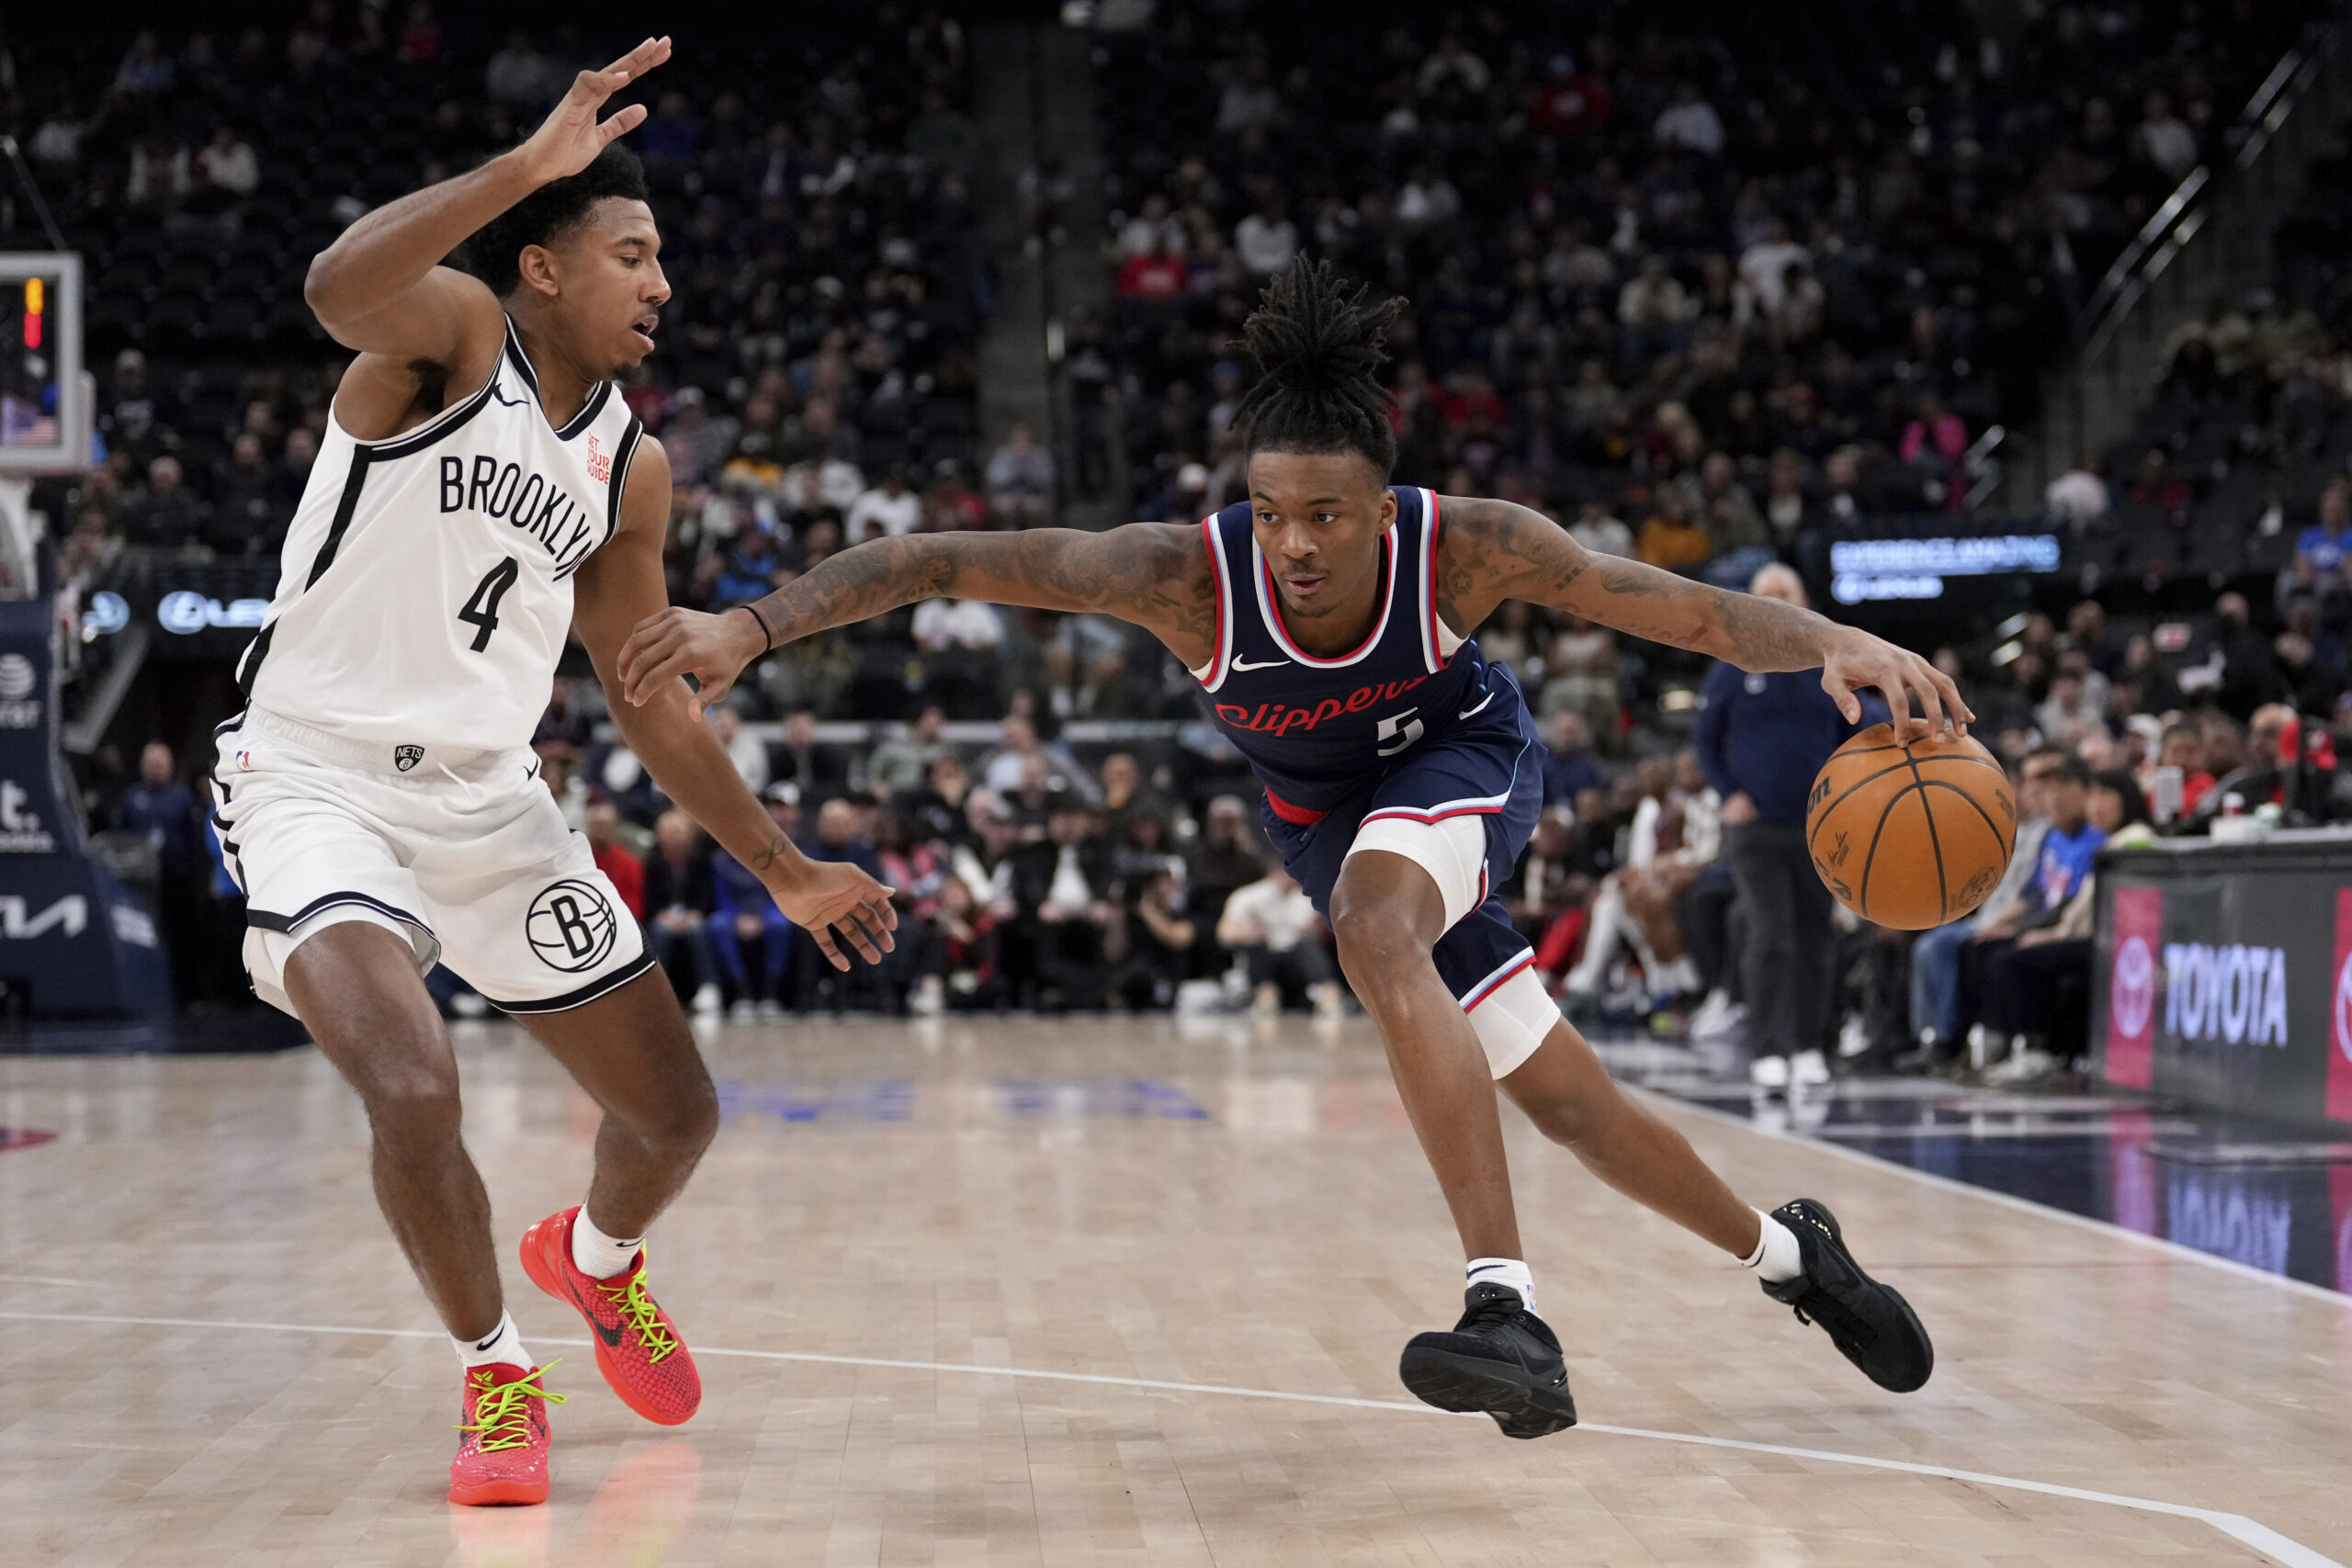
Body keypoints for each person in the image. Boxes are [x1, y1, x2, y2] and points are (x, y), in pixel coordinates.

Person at [621, 256, 1962, 1435]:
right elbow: (929, 559)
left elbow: (1694, 616)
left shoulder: (1470, 548)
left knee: (1379, 929)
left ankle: (1506, 1310)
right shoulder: (1183, 578)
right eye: (1274, 512)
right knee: (1565, 1098)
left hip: (1467, 765)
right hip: (1331, 824)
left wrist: (1837, 639)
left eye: (1326, 514)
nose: (1298, 542)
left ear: (1385, 507)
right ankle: (1796, 1258)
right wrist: (755, 626)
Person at [212, 44, 897, 1507]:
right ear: (541, 265)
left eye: (664, 260)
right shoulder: (453, 337)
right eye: (633, 254)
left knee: (676, 1113)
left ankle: (590, 1263)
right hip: (314, 776)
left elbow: (648, 700)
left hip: (489, 802)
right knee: (410, 1077)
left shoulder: (629, 469)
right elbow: (336, 284)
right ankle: (496, 1373)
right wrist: (527, 159)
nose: (661, 284)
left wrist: (784, 864)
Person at [1692, 564, 1886, 1091]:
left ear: (1803, 601)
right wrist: (1730, 794)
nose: (1776, 601)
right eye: (1766, 595)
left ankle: (1808, 1047)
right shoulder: (1731, 667)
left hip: (1821, 828)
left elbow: (1864, 724)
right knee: (1770, 934)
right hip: (1755, 828)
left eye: (1786, 593)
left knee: (1814, 938)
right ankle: (1770, 1048)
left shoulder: (1829, 666)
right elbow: (1705, 742)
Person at [114, 740, 210, 1005]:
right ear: (143, 765)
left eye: (161, 762)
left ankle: (187, 996)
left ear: (169, 765)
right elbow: (120, 838)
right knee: (142, 936)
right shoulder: (131, 797)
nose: (156, 767)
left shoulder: (183, 797)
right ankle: (144, 993)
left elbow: (195, 841)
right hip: (139, 886)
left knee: (181, 938)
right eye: (152, 762)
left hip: (177, 881)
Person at [1216, 856, 1340, 1013]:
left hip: (1295, 963)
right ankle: (1265, 996)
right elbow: (1224, 933)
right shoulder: (1250, 897)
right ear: (1274, 872)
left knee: (1306, 947)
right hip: (1265, 958)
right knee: (1258, 947)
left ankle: (1327, 992)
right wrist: (1249, 933)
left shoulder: (1304, 899)